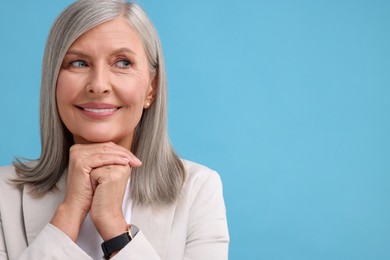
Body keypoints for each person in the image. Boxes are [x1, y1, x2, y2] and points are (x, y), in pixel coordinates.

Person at [0, 0, 229, 259]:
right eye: (78, 63)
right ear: (53, 81)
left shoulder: (199, 190)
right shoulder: (2, 194)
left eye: (122, 63)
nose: (98, 85)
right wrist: (68, 213)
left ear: (151, 89)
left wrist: (115, 227)